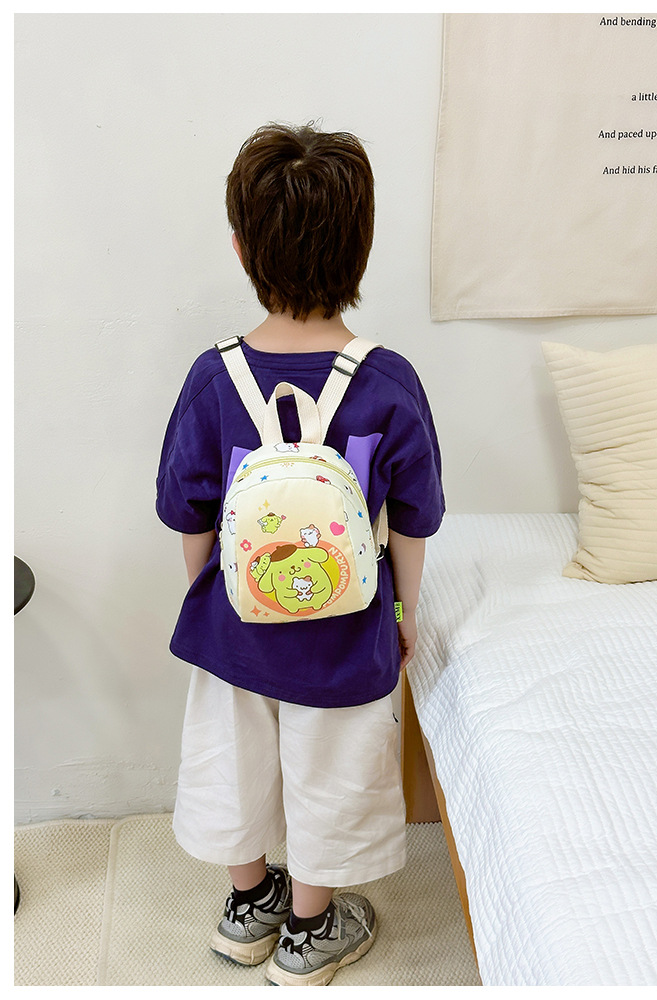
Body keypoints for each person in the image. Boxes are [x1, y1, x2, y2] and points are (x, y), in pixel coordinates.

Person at [156, 122, 444, 986]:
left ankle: (248, 908)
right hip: (344, 632)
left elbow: (187, 513)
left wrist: (214, 601)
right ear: (362, 246)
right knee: (332, 771)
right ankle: (311, 930)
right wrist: (401, 613)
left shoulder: (213, 378)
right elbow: (414, 520)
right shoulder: (388, 381)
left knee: (233, 762)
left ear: (242, 247)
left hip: (233, 628)